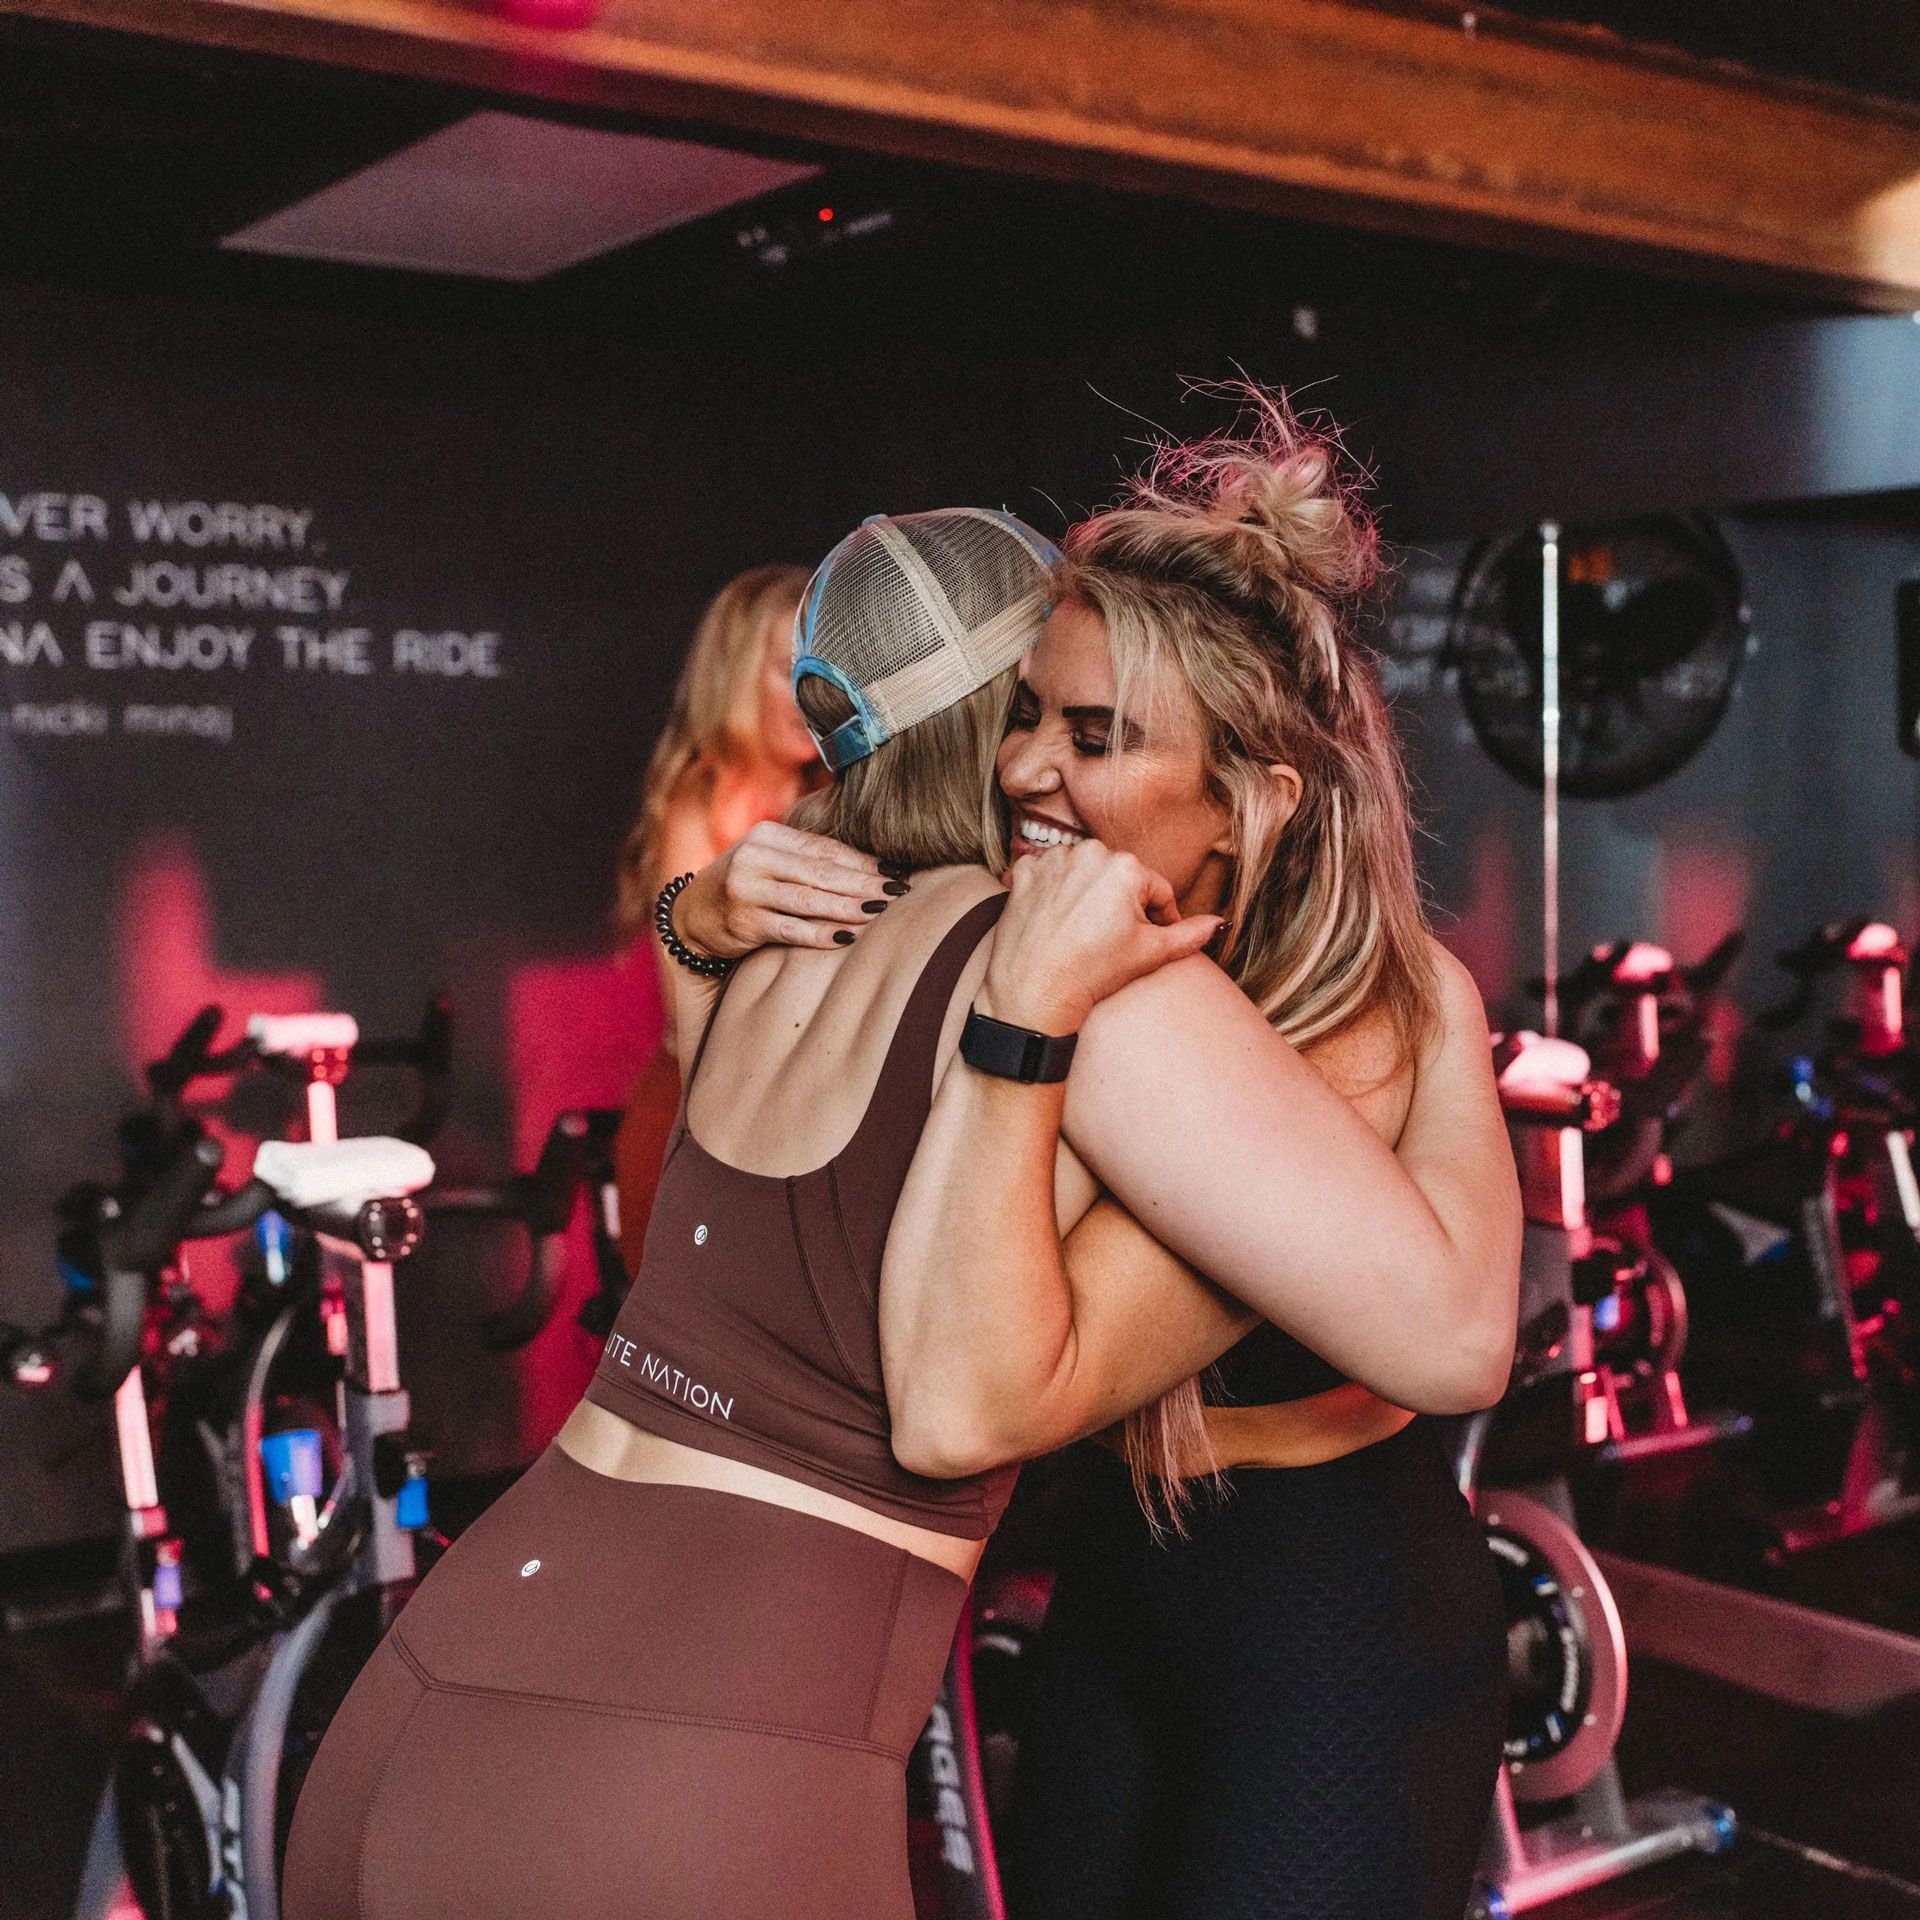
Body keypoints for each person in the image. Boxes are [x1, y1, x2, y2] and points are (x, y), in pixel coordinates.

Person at [681, 396, 1520, 1919]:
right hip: (1131, 1578)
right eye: (1025, 717)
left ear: (1256, 802)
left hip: (1330, 1617)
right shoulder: (1085, 974)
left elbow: (1458, 1345)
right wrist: (705, 918)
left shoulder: (1332, 1027)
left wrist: (1445, 1012)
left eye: (1092, 736)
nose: (1019, 775)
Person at [609, 564, 820, 1271]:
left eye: (821, 669)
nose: (808, 692)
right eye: (787, 670)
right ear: (733, 676)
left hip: (801, 1123)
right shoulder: (698, 805)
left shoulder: (842, 793)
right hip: (697, 1128)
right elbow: (691, 1004)